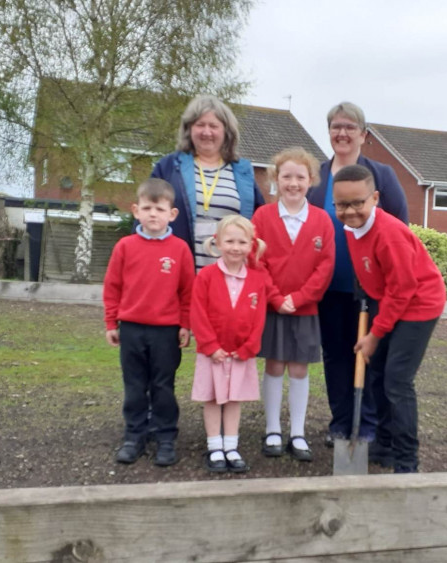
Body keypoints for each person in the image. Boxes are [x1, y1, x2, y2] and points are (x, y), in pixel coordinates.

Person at [332, 164, 446, 474]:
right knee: (378, 373)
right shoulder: (351, 228)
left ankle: (407, 461)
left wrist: (375, 335)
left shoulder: (390, 234)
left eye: (358, 202)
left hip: (420, 302)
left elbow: (404, 289)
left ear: (375, 198)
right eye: (342, 204)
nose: (350, 211)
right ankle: (385, 446)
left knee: (397, 381)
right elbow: (374, 273)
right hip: (392, 299)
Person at [307, 102, 408, 446]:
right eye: (336, 126)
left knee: (369, 354)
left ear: (363, 135)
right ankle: (340, 423)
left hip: (371, 289)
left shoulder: (382, 175)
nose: (342, 133)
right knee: (335, 355)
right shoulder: (317, 177)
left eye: (350, 127)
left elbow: (400, 229)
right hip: (328, 287)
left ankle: (368, 426)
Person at [103, 178, 195, 467]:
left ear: (172, 214)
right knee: (134, 386)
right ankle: (134, 436)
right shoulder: (125, 247)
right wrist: (111, 322)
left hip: (166, 332)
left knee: (162, 386)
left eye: (159, 208)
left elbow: (187, 291)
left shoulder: (180, 249)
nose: (153, 214)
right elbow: (112, 287)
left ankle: (165, 437)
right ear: (136, 210)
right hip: (131, 329)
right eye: (147, 208)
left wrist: (185, 324)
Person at [252, 147, 335, 462]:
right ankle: (273, 429)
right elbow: (256, 261)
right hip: (273, 308)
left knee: (299, 368)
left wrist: (298, 299)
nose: (293, 183)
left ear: (311, 179)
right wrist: (276, 298)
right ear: (276, 178)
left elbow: (324, 267)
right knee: (274, 364)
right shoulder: (262, 217)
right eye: (286, 176)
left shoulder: (322, 220)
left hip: (305, 309)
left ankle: (297, 432)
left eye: (300, 176)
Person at [190, 215, 269, 474]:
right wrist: (211, 346)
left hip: (239, 354)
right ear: (218, 243)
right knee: (212, 399)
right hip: (213, 353)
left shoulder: (257, 280)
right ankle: (214, 446)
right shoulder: (207, 277)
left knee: (234, 399)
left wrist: (248, 348)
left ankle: (231, 446)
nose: (235, 247)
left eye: (242, 242)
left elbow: (259, 318)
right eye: (230, 241)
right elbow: (198, 314)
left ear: (251, 245)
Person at [150, 94, 266, 271]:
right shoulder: (168, 167)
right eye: (200, 125)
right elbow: (146, 215)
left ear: (226, 131)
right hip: (175, 271)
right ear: (189, 129)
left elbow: (259, 224)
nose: (206, 132)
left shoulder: (244, 172)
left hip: (230, 277)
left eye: (213, 126)